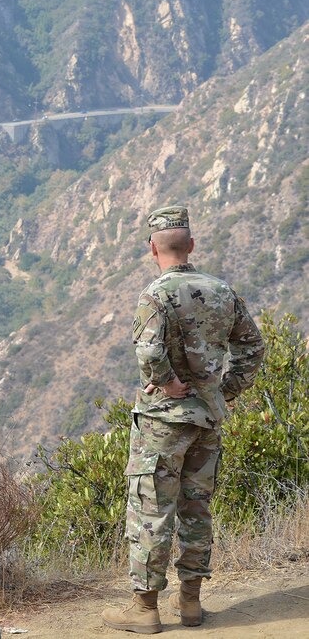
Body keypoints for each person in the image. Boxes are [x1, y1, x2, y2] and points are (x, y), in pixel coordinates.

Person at [102, 206, 264, 634]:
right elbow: (252, 348)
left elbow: (148, 353)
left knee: (151, 510)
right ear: (191, 245)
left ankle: (145, 609)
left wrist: (169, 383)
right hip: (207, 420)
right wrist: (221, 391)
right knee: (197, 509)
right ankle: (190, 604)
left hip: (162, 422)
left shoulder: (155, 295)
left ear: (151, 248)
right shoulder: (222, 291)